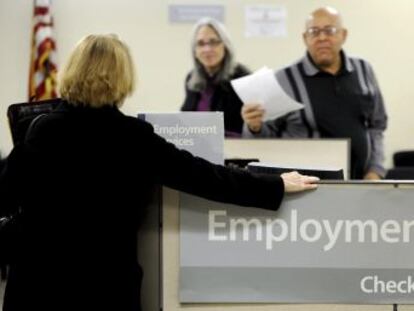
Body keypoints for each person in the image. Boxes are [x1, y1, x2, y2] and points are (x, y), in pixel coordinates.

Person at [0, 34, 318, 311]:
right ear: (122, 78)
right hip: (106, 289)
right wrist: (274, 184)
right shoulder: (133, 136)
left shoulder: (42, 130)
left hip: (37, 285)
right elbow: (203, 176)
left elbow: (4, 193)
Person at [241, 6, 387, 180]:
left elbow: (377, 125)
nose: (322, 38)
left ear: (343, 35)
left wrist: (375, 170)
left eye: (330, 30)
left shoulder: (364, 69)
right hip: (305, 189)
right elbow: (264, 143)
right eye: (314, 32)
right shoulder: (284, 79)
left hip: (361, 183)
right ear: (305, 38)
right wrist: (254, 126)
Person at [181, 17, 250, 137]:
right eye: (201, 43)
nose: (207, 49)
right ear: (195, 51)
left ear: (225, 46)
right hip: (196, 146)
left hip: (235, 149)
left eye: (213, 42)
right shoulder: (191, 79)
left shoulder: (243, 77)